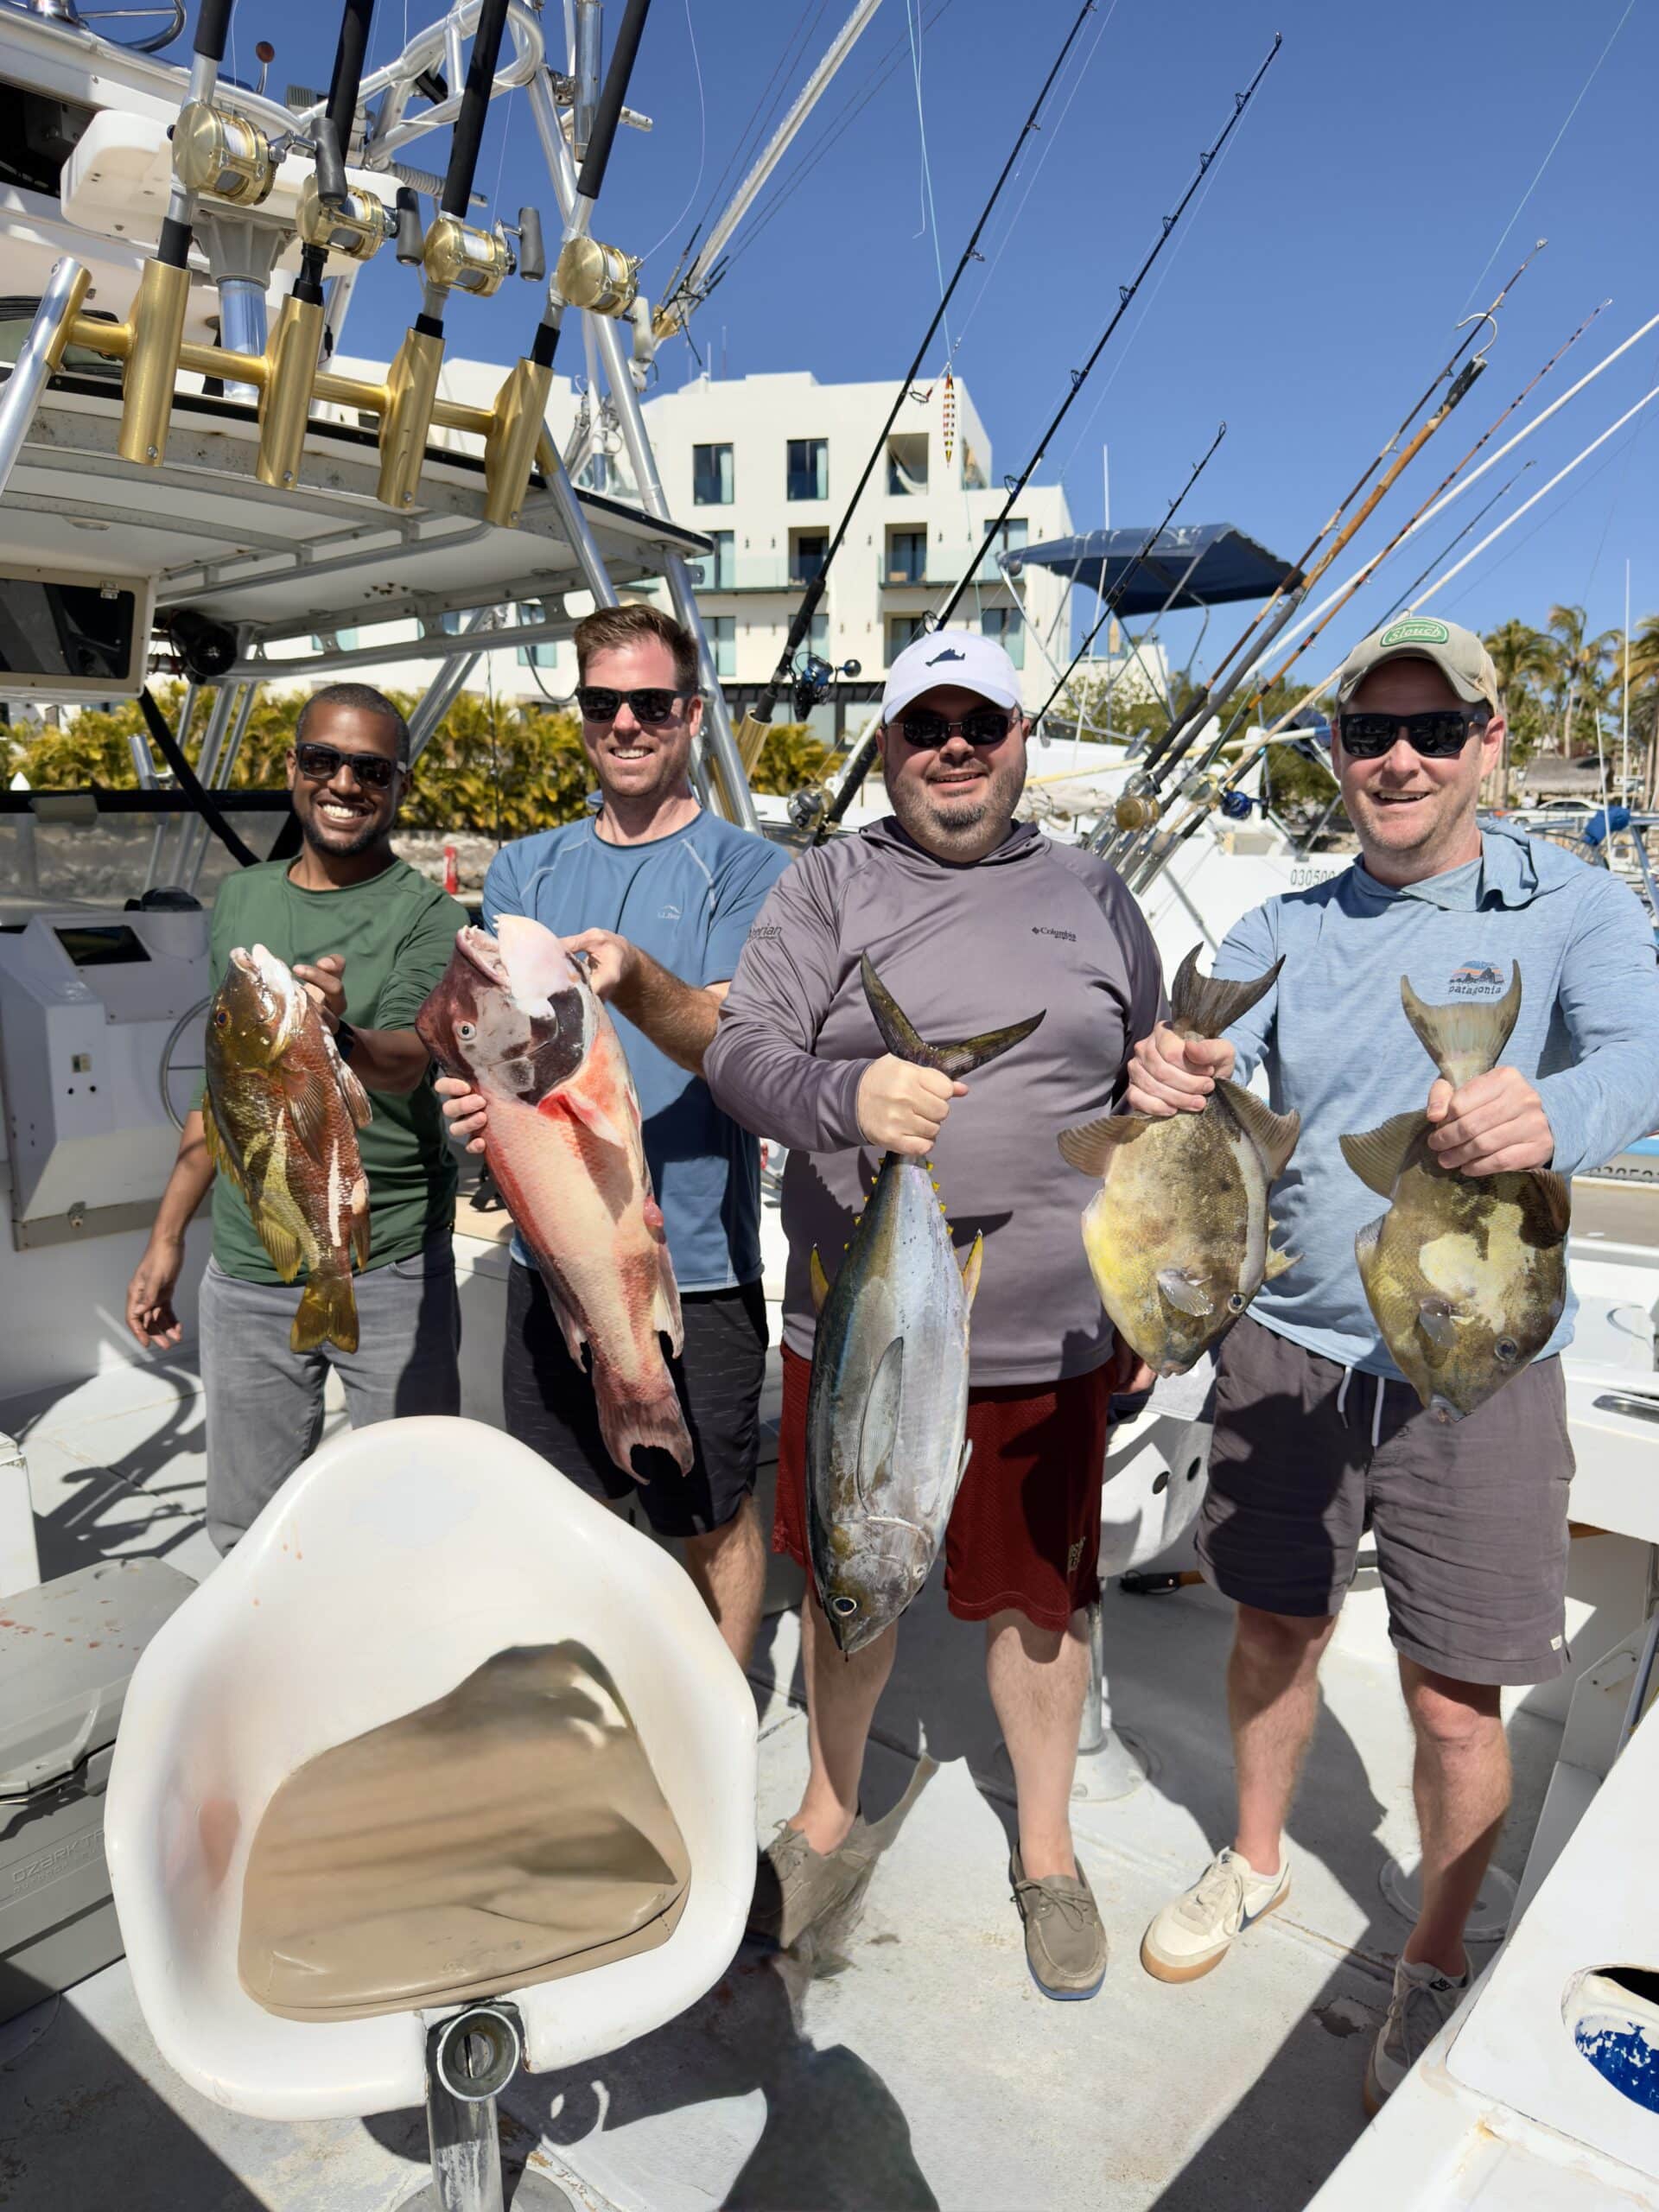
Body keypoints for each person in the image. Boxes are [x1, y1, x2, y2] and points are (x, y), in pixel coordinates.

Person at [1130, 617, 1659, 2105]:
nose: (1402, 757)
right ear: (1339, 756)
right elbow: (1198, 1033)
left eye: (1436, 729)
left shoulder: (1576, 905)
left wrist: (1559, 1112)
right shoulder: (1287, 922)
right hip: (1289, 1348)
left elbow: (1647, 1044)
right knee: (1272, 1633)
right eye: (1371, 733)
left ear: (1491, 740)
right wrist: (1173, 1064)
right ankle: (1253, 1862)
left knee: (1451, 1701)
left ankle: (1432, 1951)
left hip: (1473, 1364)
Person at [703, 631, 1162, 2000]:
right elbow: (740, 1053)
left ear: (1020, 737)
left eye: (981, 722)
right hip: (864, 1334)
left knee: (1041, 1602)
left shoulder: (1094, 889)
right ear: (889, 745)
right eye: (925, 726)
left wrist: (1147, 1265)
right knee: (852, 1587)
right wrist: (847, 1100)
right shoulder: (827, 882)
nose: (954, 746)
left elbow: (1145, 1081)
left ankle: (1047, 1849)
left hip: (1050, 1333)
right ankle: (828, 1816)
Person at [438, 602, 788, 1666]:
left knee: (708, 1516)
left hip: (699, 1266)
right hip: (553, 1263)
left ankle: (715, 1730)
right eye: (602, 702)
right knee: (561, 1514)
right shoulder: (527, 868)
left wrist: (634, 978)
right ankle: (588, 1727)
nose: (625, 722)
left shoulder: (749, 868)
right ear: (582, 714)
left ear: (690, 713)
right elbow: (499, 1050)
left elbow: (737, 1039)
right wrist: (473, 1108)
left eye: (649, 702)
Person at [126, 683, 468, 1551]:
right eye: (323, 761)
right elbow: (228, 1089)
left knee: (407, 1523)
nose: (344, 783)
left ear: (398, 783)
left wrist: (335, 1035)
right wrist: (168, 1235)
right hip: (244, 1268)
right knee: (248, 1535)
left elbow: (407, 1062)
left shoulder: (431, 915)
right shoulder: (240, 900)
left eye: (370, 768)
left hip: (387, 1261)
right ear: (293, 767)